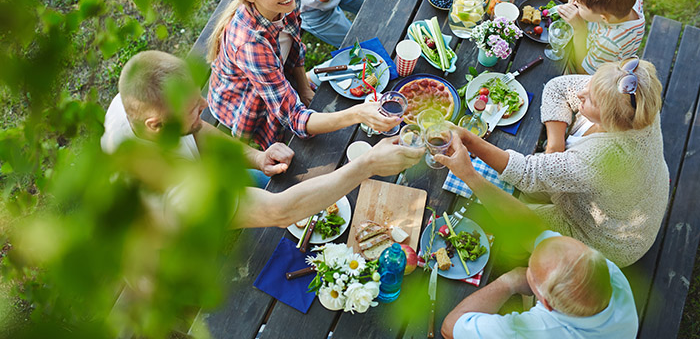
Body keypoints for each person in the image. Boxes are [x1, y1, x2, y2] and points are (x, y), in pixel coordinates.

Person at [103, 50, 423, 229]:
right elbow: (279, 212)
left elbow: (197, 131)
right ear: (156, 126)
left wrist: (255, 156)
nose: (205, 106)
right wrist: (368, 164)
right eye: (192, 107)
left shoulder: (132, 103)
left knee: (273, 178)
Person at [449, 58, 668, 267]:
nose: (581, 93)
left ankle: (525, 260)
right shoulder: (635, 104)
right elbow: (558, 87)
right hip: (625, 200)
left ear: (610, 119)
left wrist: (469, 140)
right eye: (590, 83)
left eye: (590, 100)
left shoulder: (603, 158)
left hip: (604, 237)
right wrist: (555, 147)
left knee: (502, 221)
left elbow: (527, 174)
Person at [436, 140, 638, 339]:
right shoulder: (610, 275)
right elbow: (533, 230)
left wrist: (511, 281)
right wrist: (469, 175)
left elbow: (450, 327)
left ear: (546, 303)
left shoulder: (535, 331)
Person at [207, 0, 396, 149]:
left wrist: (304, 88)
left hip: (278, 77)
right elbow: (294, 118)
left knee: (351, 69)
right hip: (248, 104)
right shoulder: (250, 45)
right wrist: (358, 114)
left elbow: (295, 46)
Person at [558, 0, 645, 74]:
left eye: (580, 5)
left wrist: (579, 29)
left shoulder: (608, 42)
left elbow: (583, 73)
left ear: (604, 18)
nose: (574, 2)